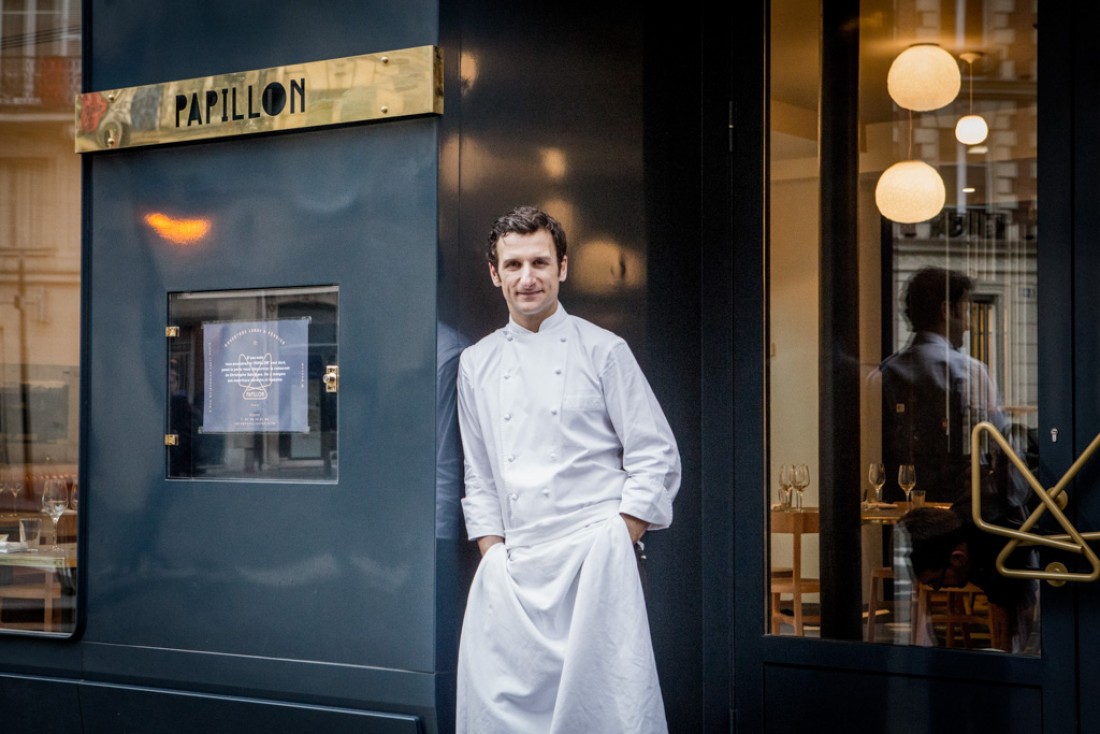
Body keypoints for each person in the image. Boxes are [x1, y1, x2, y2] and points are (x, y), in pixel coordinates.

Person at [455, 205, 681, 733]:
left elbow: (655, 454)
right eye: (513, 266)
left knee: (606, 709)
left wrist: (617, 536)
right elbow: (480, 473)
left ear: (562, 267)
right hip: (517, 572)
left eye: (539, 262)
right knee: (506, 715)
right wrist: (495, 555)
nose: (527, 278)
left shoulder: (605, 351)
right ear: (495, 274)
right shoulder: (476, 363)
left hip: (594, 563)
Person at [875, 266, 1030, 523]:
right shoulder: (967, 371)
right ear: (947, 310)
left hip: (904, 512)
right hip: (961, 514)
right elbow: (1002, 449)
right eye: (966, 311)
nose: (968, 325)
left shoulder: (887, 371)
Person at [896, 505, 1038, 653]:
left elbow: (1023, 610)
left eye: (936, 582)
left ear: (957, 558)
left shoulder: (997, 545)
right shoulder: (956, 529)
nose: (938, 589)